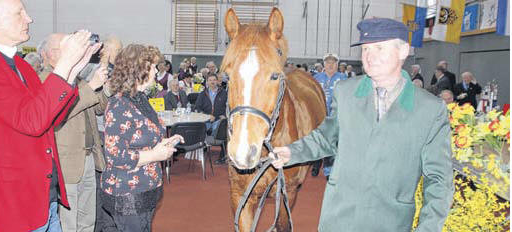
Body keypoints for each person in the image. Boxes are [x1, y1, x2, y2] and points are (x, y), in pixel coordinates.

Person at [270, 18, 453, 232]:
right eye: (365, 49)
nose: (370, 56)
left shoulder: (430, 109)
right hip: (338, 219)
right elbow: (328, 137)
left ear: (403, 50)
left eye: (379, 47)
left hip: (390, 223)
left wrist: (428, 228)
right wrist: (292, 152)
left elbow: (439, 180)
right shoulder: (346, 92)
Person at [0, 0, 96, 230]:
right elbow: (31, 121)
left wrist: (73, 70)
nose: (29, 19)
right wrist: (65, 62)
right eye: (19, 13)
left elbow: (51, 119)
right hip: (15, 205)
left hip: (43, 199)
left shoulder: (20, 64)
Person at [100, 44, 183, 231]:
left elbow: (145, 138)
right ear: (138, 69)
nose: (156, 70)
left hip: (146, 188)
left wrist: (163, 143)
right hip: (128, 193)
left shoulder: (140, 98)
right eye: (152, 66)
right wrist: (156, 155)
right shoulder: (119, 104)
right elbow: (115, 156)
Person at [38, 33, 109, 232]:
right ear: (47, 55)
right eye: (64, 48)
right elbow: (60, 113)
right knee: (68, 221)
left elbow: (97, 108)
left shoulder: (75, 77)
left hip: (87, 155)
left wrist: (106, 88)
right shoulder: (44, 80)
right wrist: (91, 86)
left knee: (88, 217)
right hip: (66, 161)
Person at [311, 53, 347, 178]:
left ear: (337, 64)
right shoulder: (316, 78)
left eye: (333, 62)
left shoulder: (343, 78)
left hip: (334, 117)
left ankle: (328, 170)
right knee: (317, 141)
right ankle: (316, 164)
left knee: (331, 143)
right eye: (327, 62)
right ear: (323, 65)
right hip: (318, 116)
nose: (330, 65)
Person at [194, 73, 228, 164]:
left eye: (214, 80)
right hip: (206, 121)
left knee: (223, 125)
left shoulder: (224, 93)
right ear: (207, 82)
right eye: (210, 80)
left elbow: (229, 107)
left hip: (219, 120)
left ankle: (223, 155)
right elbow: (197, 108)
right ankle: (208, 138)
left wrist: (224, 115)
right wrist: (207, 116)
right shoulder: (202, 94)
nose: (212, 82)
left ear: (217, 81)